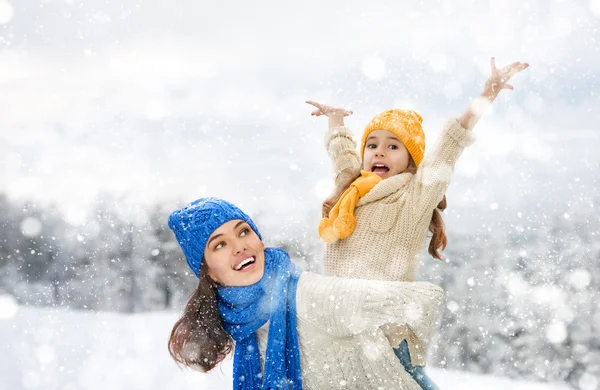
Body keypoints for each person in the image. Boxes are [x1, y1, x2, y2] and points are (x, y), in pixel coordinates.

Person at [306, 57, 529, 389]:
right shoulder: (351, 189)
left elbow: (447, 149)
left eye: (393, 146)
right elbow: (343, 156)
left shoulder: (413, 197)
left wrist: (488, 94)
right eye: (373, 144)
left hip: (388, 333)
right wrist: (335, 120)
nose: (379, 152)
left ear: (410, 161)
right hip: (345, 329)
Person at [167, 197, 444, 389]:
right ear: (208, 273)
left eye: (243, 232)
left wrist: (403, 358)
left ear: (259, 240)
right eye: (220, 245)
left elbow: (426, 300)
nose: (239, 247)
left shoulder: (308, 294)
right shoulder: (242, 324)